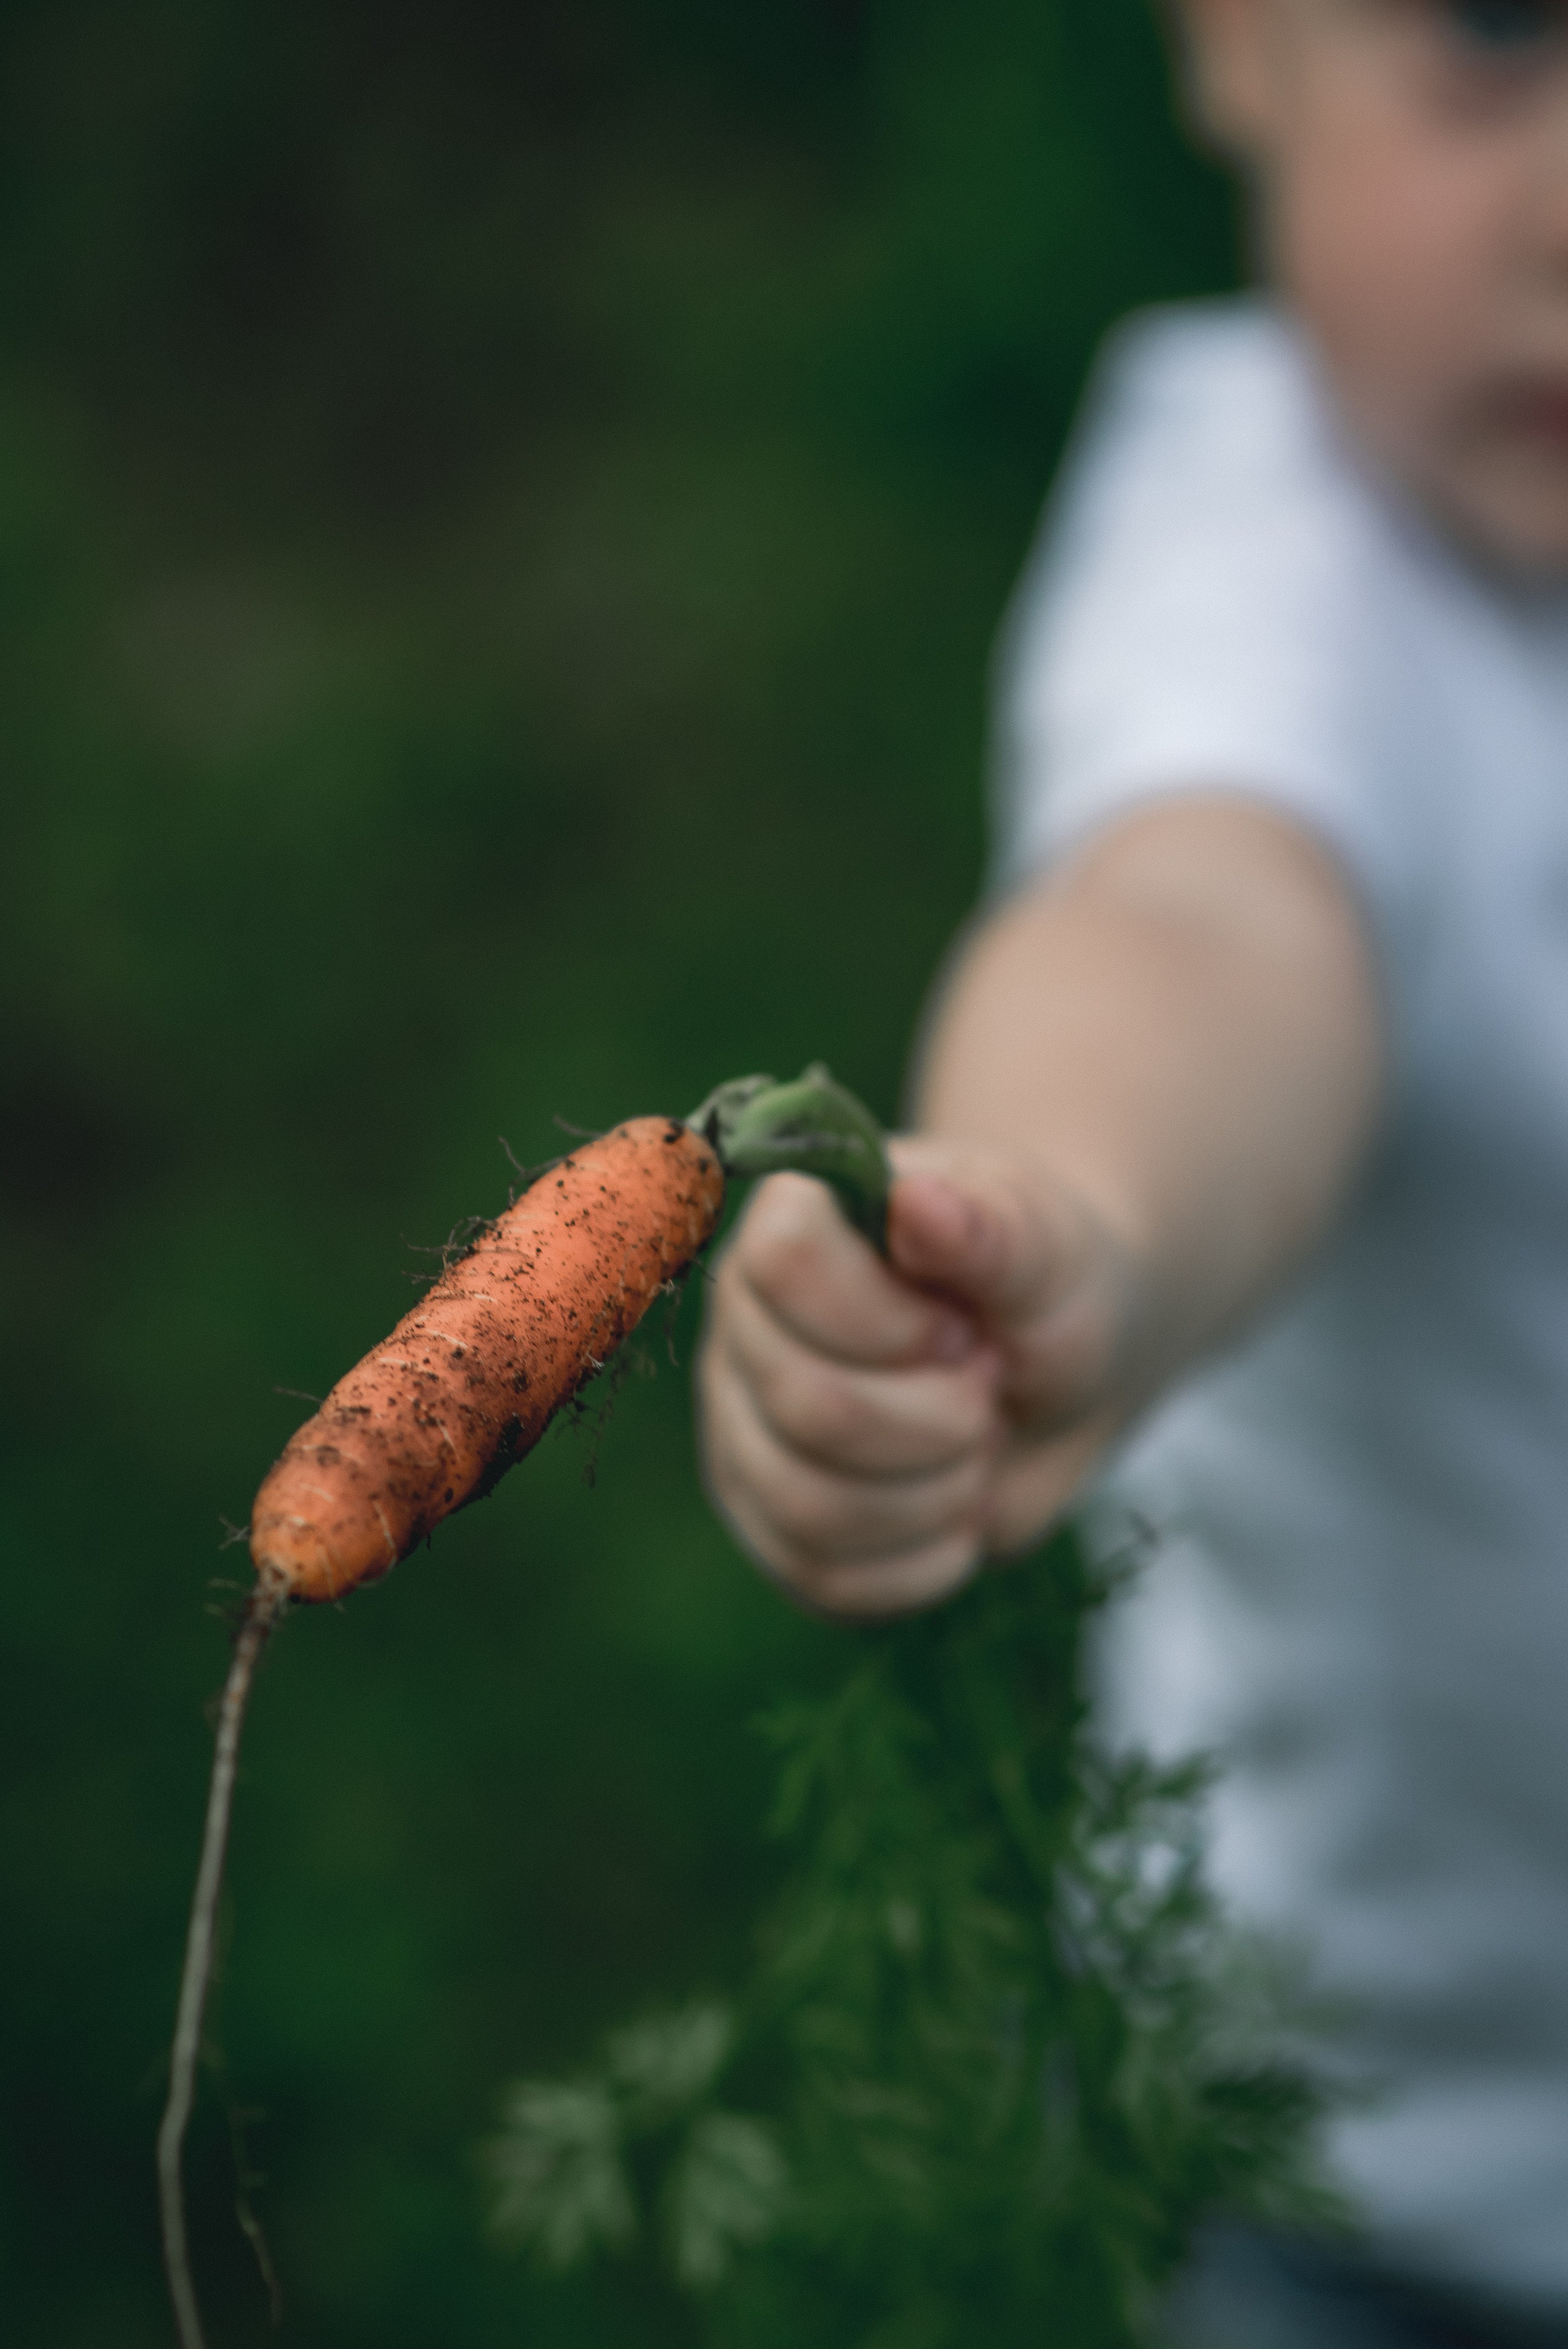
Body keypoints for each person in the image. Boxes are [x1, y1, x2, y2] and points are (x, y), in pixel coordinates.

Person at [696, 2, 1568, 2342]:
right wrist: (1068, 1210)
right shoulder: (1279, 564)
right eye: (1494, 34)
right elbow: (1203, 925)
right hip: (1364, 2168)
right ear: (1236, 36)